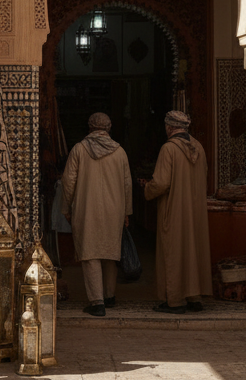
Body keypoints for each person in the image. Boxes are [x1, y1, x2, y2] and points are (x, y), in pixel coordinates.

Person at [61, 112, 132, 317]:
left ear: (90, 128)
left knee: (90, 253)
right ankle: (109, 296)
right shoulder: (120, 152)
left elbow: (68, 182)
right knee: (110, 252)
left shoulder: (79, 150)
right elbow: (127, 185)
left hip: (86, 209)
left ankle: (97, 302)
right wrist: (127, 211)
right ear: (108, 128)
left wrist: (67, 208)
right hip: (114, 210)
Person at [143, 110, 212, 314]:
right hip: (195, 210)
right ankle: (194, 296)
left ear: (169, 127)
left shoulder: (169, 149)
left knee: (173, 252)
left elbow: (161, 183)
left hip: (173, 210)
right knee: (193, 251)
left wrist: (147, 189)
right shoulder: (198, 146)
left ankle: (174, 301)